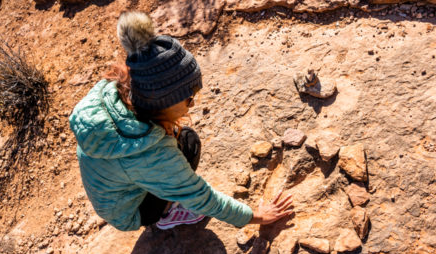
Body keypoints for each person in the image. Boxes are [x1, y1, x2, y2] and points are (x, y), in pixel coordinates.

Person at [69, 11, 293, 231]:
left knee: (182, 139)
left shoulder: (115, 90)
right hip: (132, 212)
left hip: (114, 194)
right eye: (188, 97)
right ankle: (166, 214)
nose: (193, 104)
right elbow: (202, 199)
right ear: (162, 102)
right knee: (189, 145)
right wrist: (256, 216)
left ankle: (160, 193)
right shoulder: (152, 155)